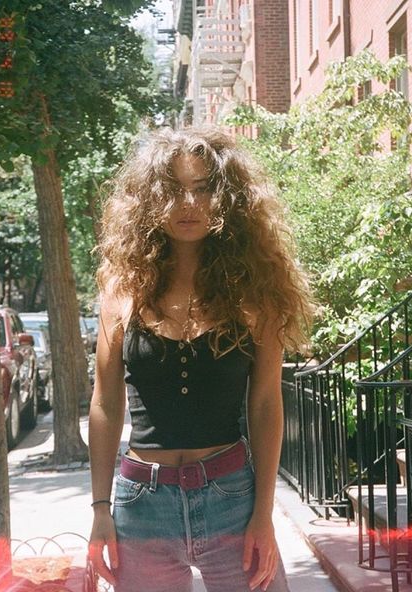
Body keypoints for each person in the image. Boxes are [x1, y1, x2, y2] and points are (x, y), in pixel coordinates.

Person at [88, 126, 313, 592]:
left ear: (227, 198)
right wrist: (100, 511)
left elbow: (266, 404)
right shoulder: (122, 292)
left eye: (202, 189)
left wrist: (264, 514)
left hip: (231, 495)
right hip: (141, 504)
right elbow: (106, 405)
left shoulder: (256, 294)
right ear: (150, 200)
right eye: (173, 190)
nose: (187, 203)